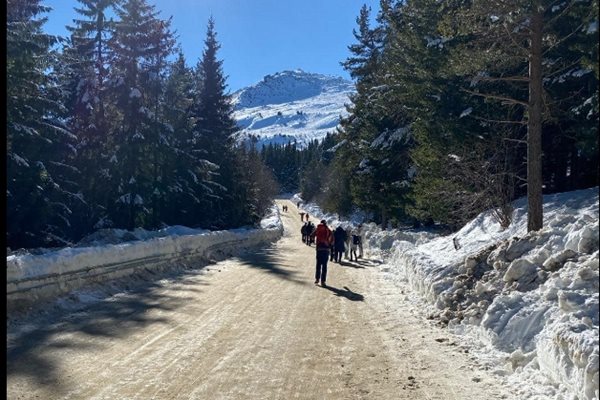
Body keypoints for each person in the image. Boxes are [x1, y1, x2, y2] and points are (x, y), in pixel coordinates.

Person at [313, 219, 332, 286]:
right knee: (324, 266)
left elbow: (312, 234)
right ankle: (323, 281)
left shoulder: (318, 228)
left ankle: (317, 279)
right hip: (326, 250)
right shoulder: (328, 230)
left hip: (319, 249)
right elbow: (332, 239)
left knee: (318, 265)